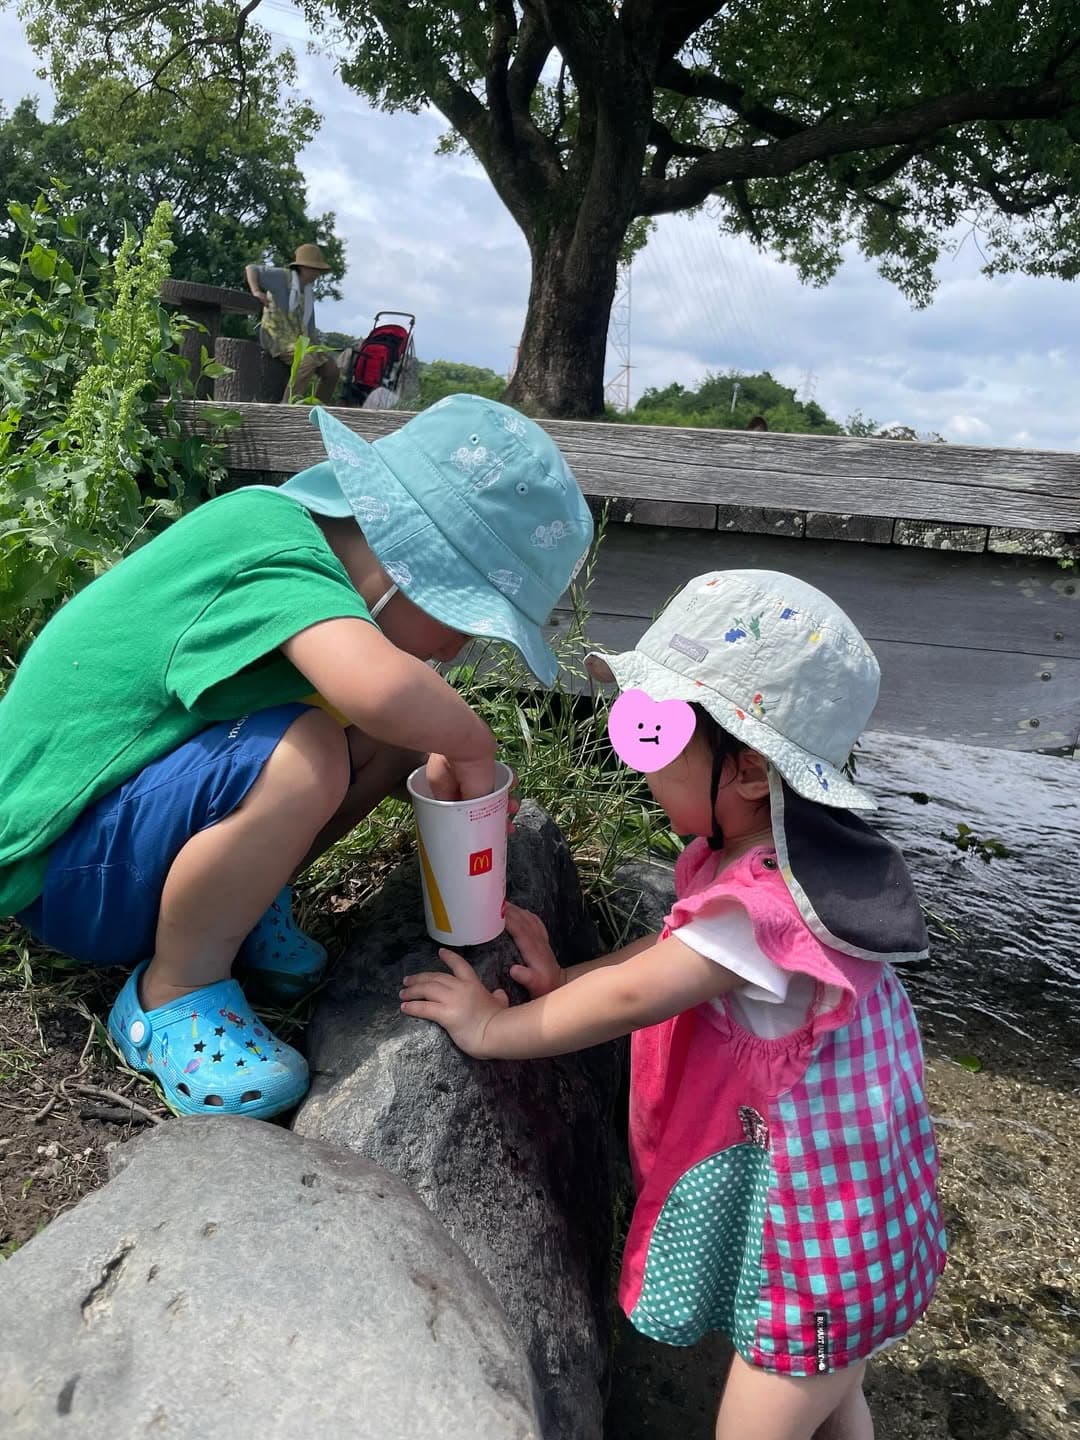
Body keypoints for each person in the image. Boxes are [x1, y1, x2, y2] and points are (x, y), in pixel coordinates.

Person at [401, 569, 947, 1440]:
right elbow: (666, 956)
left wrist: (492, 1026)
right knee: (834, 1395)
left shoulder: (757, 912)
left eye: (656, 738)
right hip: (852, 1223)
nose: (637, 759)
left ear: (749, 768)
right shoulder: (793, 864)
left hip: (819, 1250)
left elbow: (635, 995)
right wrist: (566, 979)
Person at [0, 395, 593, 1121]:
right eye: (462, 621)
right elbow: (374, 686)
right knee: (308, 748)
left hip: (117, 847)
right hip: (58, 873)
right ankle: (173, 992)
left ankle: (233, 905)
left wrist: (440, 767)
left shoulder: (317, 575)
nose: (456, 652)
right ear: (411, 564)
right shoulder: (267, 540)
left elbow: (390, 708)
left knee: (396, 731)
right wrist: (472, 742)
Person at [245, 243, 340, 404]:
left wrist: (319, 350)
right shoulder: (282, 277)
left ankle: (317, 409)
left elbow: (310, 328)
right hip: (276, 336)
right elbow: (251, 268)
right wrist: (256, 291)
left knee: (332, 371)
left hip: (299, 341)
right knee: (306, 361)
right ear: (302, 267)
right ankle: (287, 407)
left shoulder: (308, 292)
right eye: (314, 269)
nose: (317, 274)